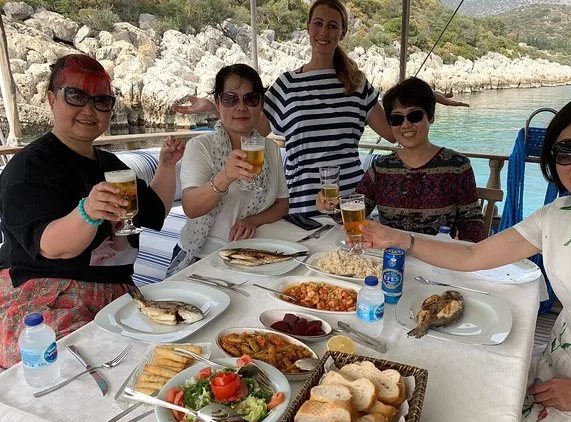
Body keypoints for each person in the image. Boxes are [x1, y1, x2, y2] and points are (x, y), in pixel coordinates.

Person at [360, 93, 571, 422]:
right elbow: (473, 256)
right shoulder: (557, 216)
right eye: (567, 150)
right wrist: (401, 239)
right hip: (558, 368)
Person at [172, 0, 468, 217]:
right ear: (308, 27)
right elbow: (253, 126)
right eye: (318, 23)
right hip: (300, 203)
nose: (324, 31)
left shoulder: (356, 84)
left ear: (342, 32)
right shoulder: (287, 84)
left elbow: (393, 133)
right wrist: (214, 106)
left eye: (332, 25)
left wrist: (424, 98)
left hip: (350, 203)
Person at [0, 54, 185, 368]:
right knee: (85, 365)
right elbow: (50, 246)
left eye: (101, 101)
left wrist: (166, 165)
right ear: (51, 99)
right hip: (48, 293)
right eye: (76, 96)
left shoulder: (111, 166)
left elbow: (156, 211)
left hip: (117, 294)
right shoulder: (30, 167)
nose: (89, 109)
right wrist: (87, 211)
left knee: (175, 350)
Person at [315, 77, 483, 241]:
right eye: (396, 119)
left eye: (414, 116)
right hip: (389, 254)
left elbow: (472, 222)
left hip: (438, 256)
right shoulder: (380, 168)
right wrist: (329, 207)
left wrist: (465, 253)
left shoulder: (457, 166)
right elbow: (354, 212)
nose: (405, 124)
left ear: (430, 117)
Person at [167, 64, 289, 275]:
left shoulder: (270, 148)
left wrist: (253, 221)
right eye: (230, 99)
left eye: (250, 99)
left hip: (253, 255)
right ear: (218, 103)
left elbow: (282, 204)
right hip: (203, 257)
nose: (241, 107)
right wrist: (225, 177)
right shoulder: (201, 147)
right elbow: (191, 207)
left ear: (261, 104)